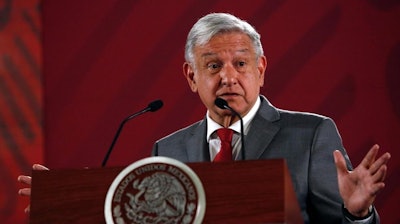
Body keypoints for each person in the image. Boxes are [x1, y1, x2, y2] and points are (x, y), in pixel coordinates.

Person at [18, 13, 390, 223]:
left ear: (260, 69)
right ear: (191, 76)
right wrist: (72, 205)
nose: (228, 77)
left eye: (241, 64)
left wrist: (358, 213)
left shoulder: (311, 134)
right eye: (213, 66)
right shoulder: (169, 147)